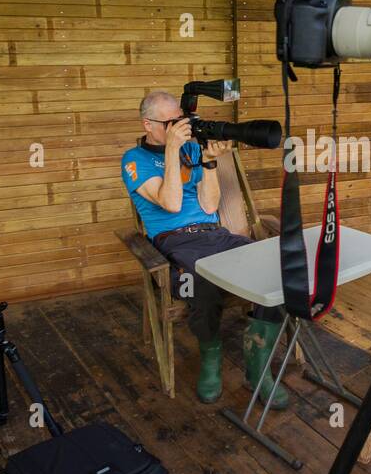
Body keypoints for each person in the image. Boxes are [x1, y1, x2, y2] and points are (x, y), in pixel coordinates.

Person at [121, 90, 288, 407]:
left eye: (180, 121)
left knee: (272, 269)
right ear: (148, 124)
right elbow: (170, 204)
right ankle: (211, 358)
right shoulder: (134, 160)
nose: (179, 128)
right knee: (200, 279)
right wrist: (171, 151)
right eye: (171, 123)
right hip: (175, 243)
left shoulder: (192, 151)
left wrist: (209, 162)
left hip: (216, 235)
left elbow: (210, 204)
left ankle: (258, 366)